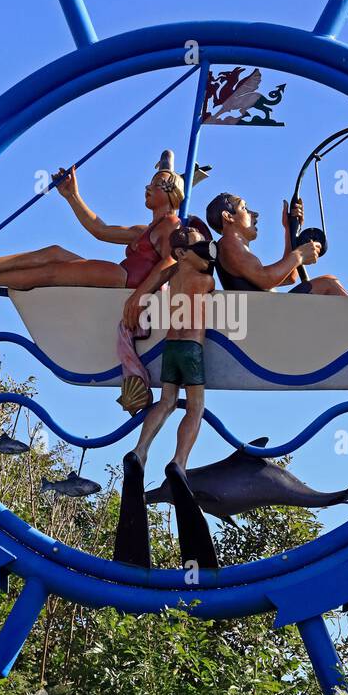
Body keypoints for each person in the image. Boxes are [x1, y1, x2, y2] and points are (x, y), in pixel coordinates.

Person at [114, 218, 218, 571]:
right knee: (197, 407)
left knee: (168, 401)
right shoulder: (203, 275)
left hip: (169, 349)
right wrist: (200, 252)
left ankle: (140, 451)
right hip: (192, 349)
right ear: (184, 252)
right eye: (192, 240)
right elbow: (211, 259)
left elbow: (152, 283)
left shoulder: (173, 276)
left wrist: (139, 295)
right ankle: (179, 462)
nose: (199, 242)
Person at [0, 153, 184, 296]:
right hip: (122, 275)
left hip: (126, 279)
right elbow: (99, 230)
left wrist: (140, 296)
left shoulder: (172, 223)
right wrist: (72, 196)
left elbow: (170, 262)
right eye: (150, 183)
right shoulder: (144, 231)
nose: (148, 187)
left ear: (173, 193)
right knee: (55, 252)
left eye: (158, 183)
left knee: (53, 273)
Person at [204, 192, 348, 296]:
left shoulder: (235, 249)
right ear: (228, 216)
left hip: (270, 314)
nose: (254, 214)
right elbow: (266, 279)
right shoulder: (229, 245)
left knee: (329, 279)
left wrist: (291, 229)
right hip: (265, 318)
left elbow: (288, 277)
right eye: (244, 208)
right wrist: (299, 255)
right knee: (328, 284)